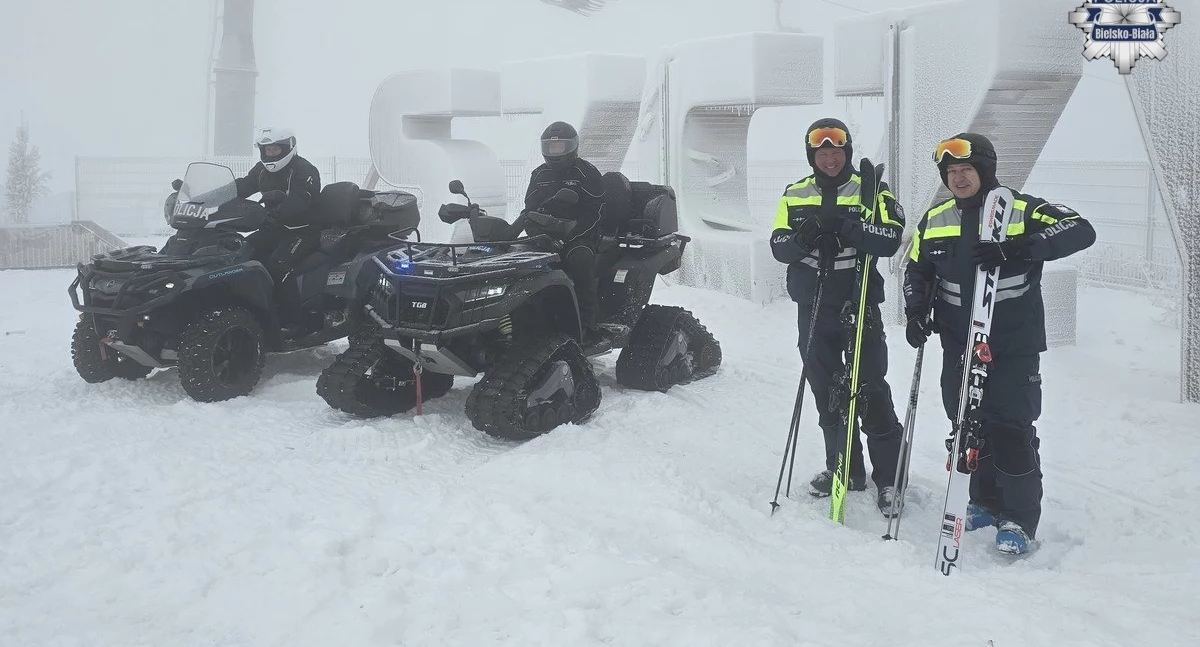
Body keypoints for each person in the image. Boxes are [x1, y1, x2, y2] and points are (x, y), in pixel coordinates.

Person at [903, 132, 1096, 554]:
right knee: (969, 425)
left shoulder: (1021, 209)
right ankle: (984, 501)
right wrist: (915, 310)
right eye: (951, 172)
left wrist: (1020, 248)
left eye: (966, 170)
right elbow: (916, 269)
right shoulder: (935, 218)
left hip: (1012, 344)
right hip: (959, 345)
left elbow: (1081, 230)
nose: (958, 178)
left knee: (1010, 429)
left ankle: (1019, 519)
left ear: (985, 170)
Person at [769, 118, 908, 516]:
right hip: (813, 306)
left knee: (870, 388)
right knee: (825, 389)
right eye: (822, 153)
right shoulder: (795, 193)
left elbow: (890, 239)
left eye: (836, 152)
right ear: (812, 156)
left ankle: (889, 479)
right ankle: (844, 469)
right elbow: (779, 246)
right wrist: (807, 235)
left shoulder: (872, 190)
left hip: (857, 301)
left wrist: (848, 228)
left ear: (846, 153)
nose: (829, 159)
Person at [520, 121, 606, 346]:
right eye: (550, 147)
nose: (554, 152)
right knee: (520, 262)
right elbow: (529, 209)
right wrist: (534, 231)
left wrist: (570, 234)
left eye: (559, 147)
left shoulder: (587, 173)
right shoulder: (539, 175)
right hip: (545, 236)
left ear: (572, 147)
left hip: (580, 236)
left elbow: (596, 213)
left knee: (580, 261)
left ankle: (587, 325)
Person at [235, 126, 322, 327]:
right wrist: (204, 194)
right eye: (267, 150)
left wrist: (277, 212)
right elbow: (242, 186)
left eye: (275, 149)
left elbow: (300, 200)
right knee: (240, 254)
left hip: (302, 231)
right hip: (272, 228)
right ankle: (252, 311)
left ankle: (293, 320)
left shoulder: (304, 170)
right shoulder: (261, 169)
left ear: (287, 147)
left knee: (279, 264)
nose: (270, 153)